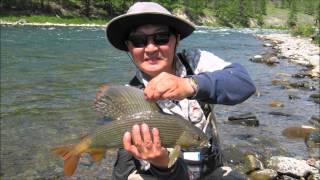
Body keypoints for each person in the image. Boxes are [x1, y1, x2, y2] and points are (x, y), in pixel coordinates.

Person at [101, 2, 256, 180]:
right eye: (139, 41)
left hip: (211, 171)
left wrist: (190, 85)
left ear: (177, 39)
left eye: (161, 38)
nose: (150, 48)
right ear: (129, 47)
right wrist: (161, 163)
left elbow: (244, 83)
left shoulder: (197, 62)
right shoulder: (128, 97)